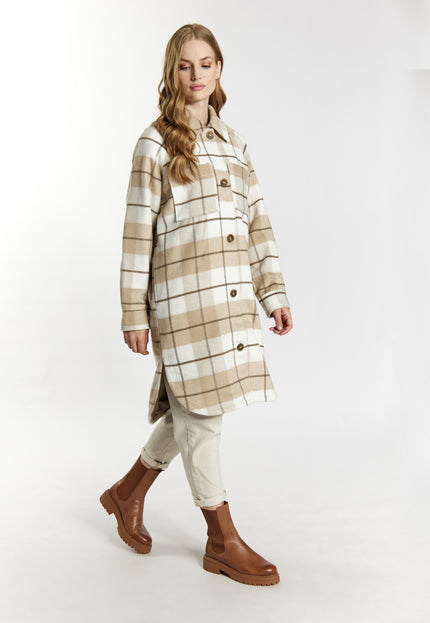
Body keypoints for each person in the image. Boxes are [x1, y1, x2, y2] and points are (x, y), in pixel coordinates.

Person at [100, 23, 293, 587]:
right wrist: (133, 314)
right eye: (185, 65)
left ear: (219, 68)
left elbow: (257, 224)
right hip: (181, 306)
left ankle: (126, 493)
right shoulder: (154, 144)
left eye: (205, 64)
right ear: (172, 72)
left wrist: (273, 293)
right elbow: (137, 235)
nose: (196, 75)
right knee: (202, 419)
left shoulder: (235, 144)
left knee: (194, 408)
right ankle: (221, 539)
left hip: (230, 303)